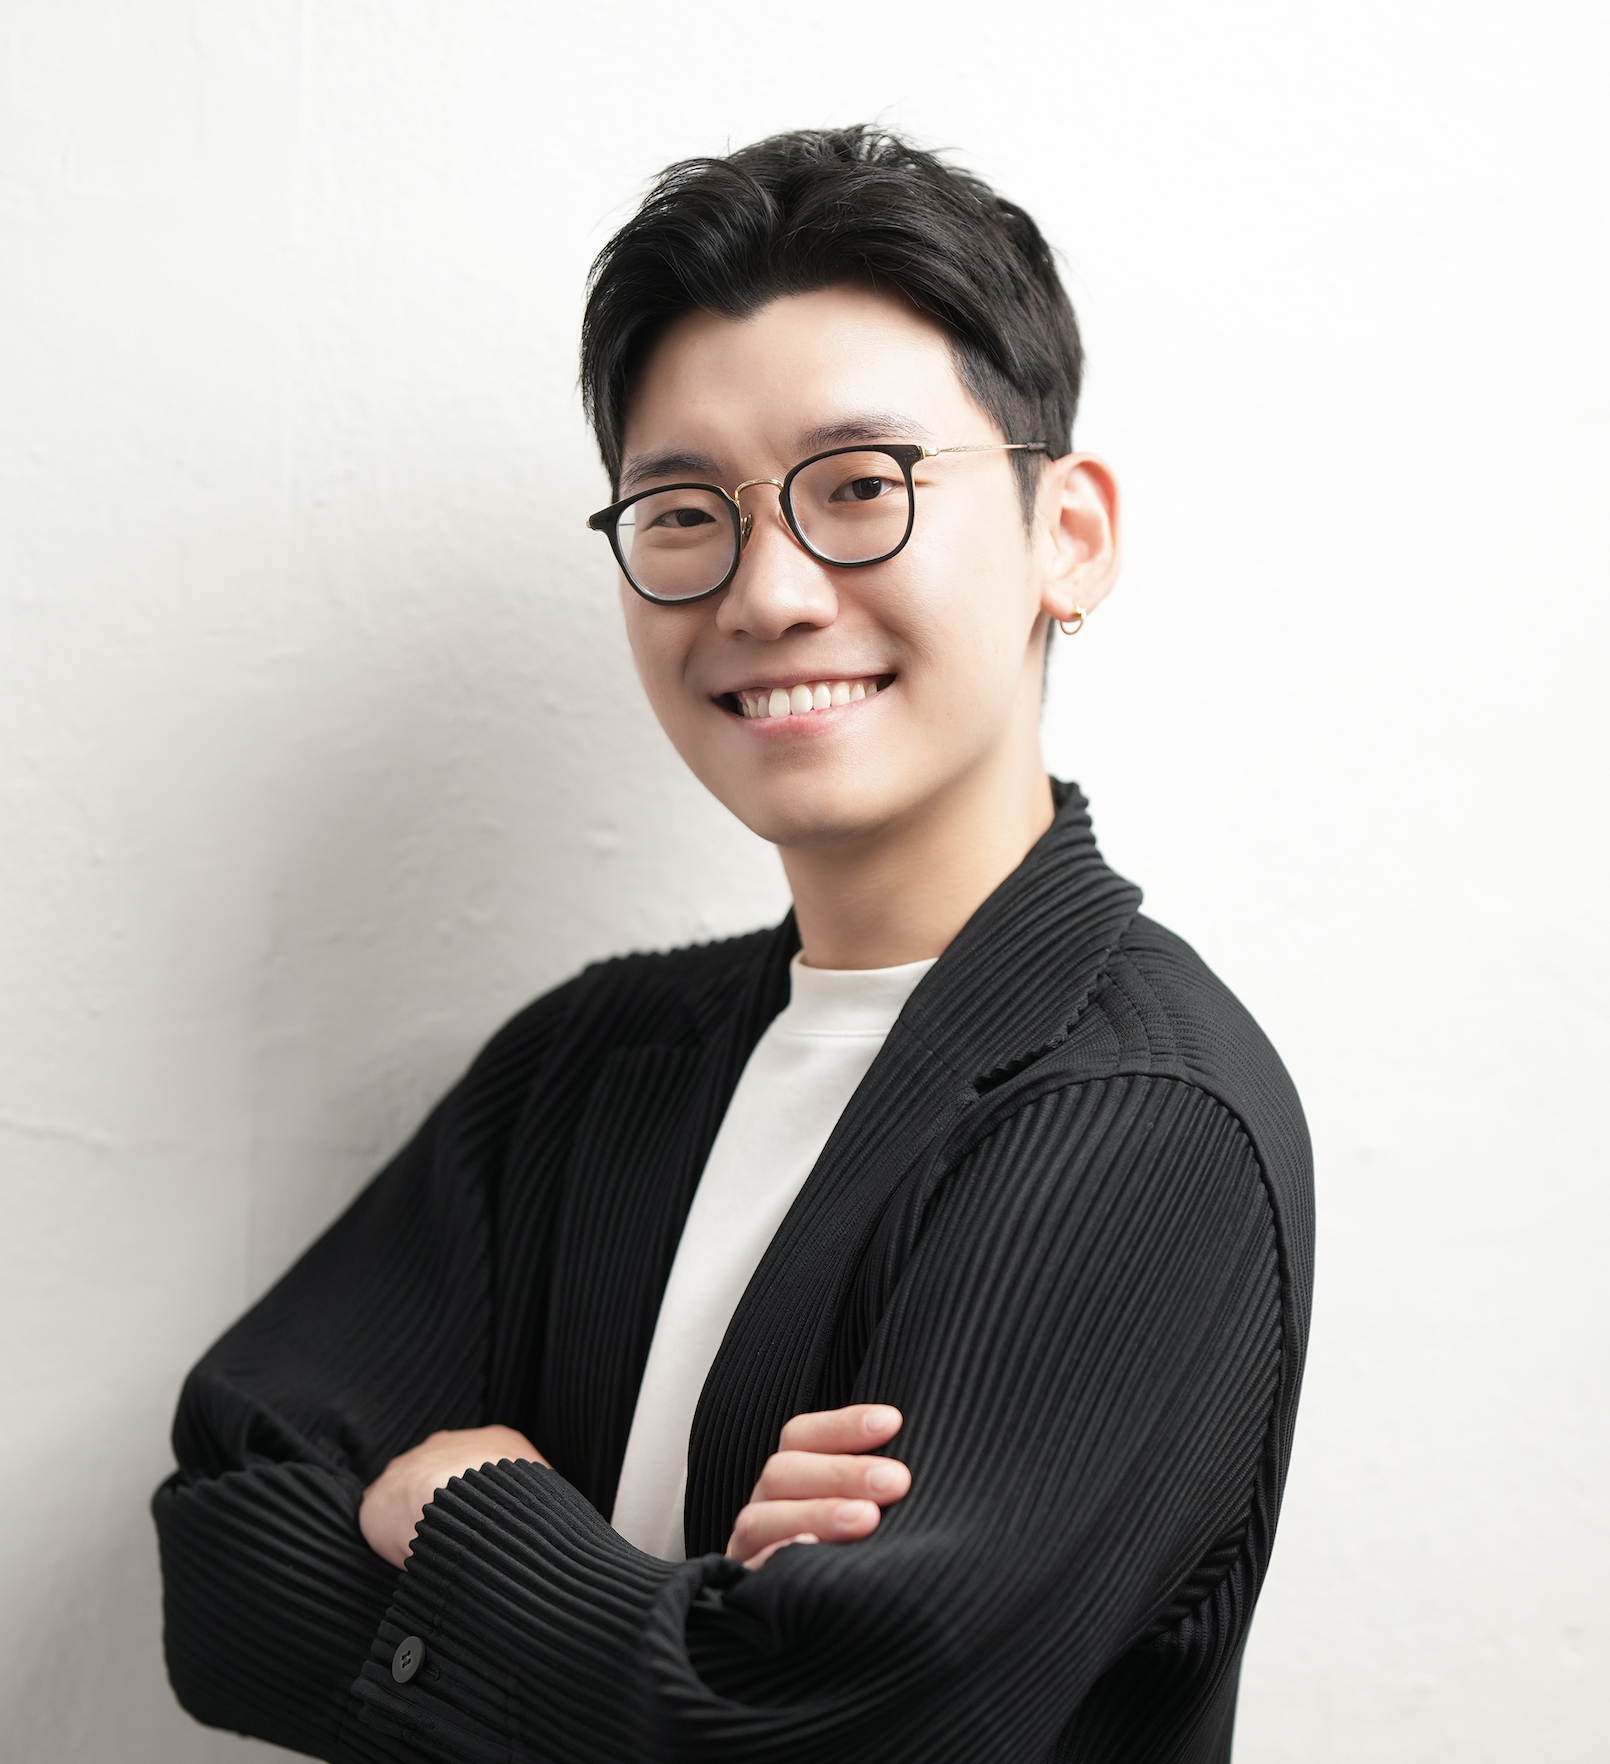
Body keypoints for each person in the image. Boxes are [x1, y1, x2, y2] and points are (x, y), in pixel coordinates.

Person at [154, 126, 1313, 1764]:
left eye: (860, 487)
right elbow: (222, 1555)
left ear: (1071, 535)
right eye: (683, 509)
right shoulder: (587, 1066)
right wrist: (683, 1623)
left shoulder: (1133, 1122)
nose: (765, 593)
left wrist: (469, 1505)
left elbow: (823, 1733)